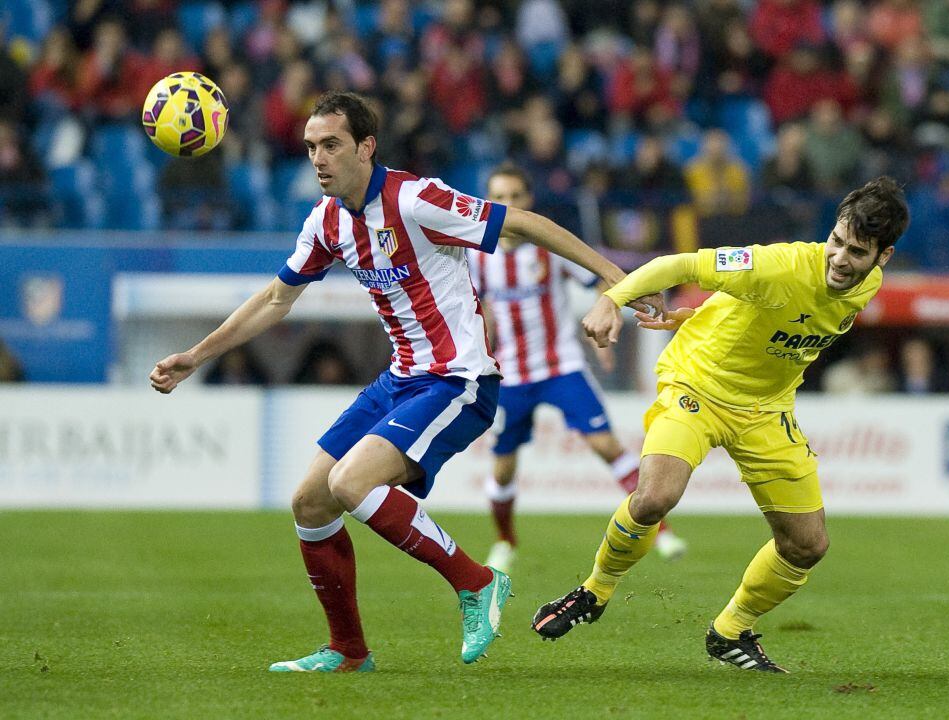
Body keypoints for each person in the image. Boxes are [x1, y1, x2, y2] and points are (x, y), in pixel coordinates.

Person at [150, 91, 656, 674]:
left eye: (332, 145)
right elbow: (275, 298)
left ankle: (478, 583)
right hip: (400, 379)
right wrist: (197, 355)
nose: (318, 158)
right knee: (310, 502)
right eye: (311, 146)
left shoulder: (417, 200)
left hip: (459, 381)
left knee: (349, 482)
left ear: (366, 147)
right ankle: (348, 651)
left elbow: (525, 223)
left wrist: (618, 283)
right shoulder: (327, 221)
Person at [531, 177, 909, 673]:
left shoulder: (869, 286)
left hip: (767, 408)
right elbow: (680, 264)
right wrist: (610, 300)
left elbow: (776, 318)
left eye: (856, 252)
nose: (839, 259)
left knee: (807, 545)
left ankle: (731, 631)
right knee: (654, 498)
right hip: (697, 386)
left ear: (883, 257)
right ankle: (594, 591)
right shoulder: (778, 263)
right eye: (835, 241)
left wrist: (704, 314)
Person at [469, 163, 687, 574]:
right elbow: (477, 310)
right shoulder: (479, 259)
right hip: (510, 375)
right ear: (488, 201)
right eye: (500, 196)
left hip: (562, 365)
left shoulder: (550, 250)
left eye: (516, 196)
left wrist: (608, 318)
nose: (508, 204)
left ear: (528, 200)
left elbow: (602, 283)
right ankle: (504, 541)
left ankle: (661, 531)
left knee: (607, 446)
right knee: (503, 464)